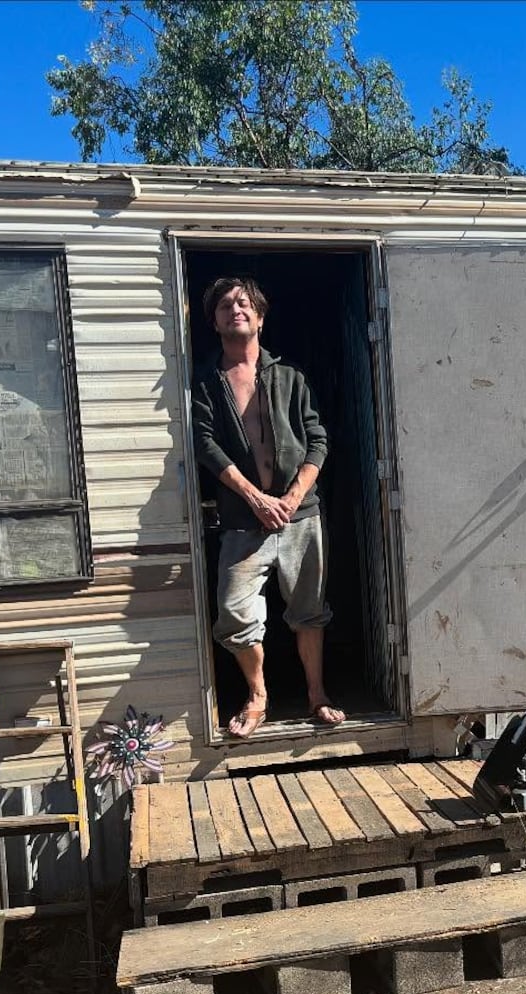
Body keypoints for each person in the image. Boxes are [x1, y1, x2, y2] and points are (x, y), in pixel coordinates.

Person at [192, 276, 345, 737]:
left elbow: (317, 439)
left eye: (243, 304)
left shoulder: (289, 377)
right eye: (224, 305)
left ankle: (317, 695)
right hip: (243, 519)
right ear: (214, 321)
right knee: (234, 611)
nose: (234, 309)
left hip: (300, 516)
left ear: (259, 317)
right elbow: (205, 443)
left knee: (308, 609)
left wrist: (292, 497)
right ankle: (258, 696)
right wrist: (255, 498)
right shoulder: (207, 381)